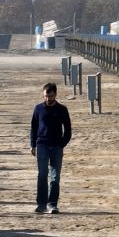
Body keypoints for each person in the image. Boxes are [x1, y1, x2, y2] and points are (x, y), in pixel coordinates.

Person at [29, 82, 72, 214]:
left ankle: (52, 204)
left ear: (55, 95)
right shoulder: (38, 109)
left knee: (55, 177)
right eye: (46, 96)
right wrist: (32, 145)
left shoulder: (62, 109)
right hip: (42, 145)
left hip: (56, 147)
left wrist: (62, 143)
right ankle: (41, 204)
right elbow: (33, 128)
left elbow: (68, 130)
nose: (48, 99)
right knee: (42, 175)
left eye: (51, 96)